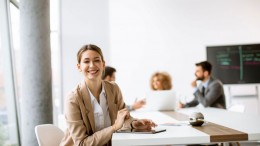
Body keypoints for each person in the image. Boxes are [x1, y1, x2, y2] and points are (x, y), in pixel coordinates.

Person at [60, 44, 156, 146]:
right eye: (86, 61)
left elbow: (124, 119)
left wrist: (134, 124)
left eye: (96, 60)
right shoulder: (73, 98)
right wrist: (114, 127)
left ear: (103, 64)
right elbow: (82, 143)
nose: (92, 65)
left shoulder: (113, 89)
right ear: (79, 67)